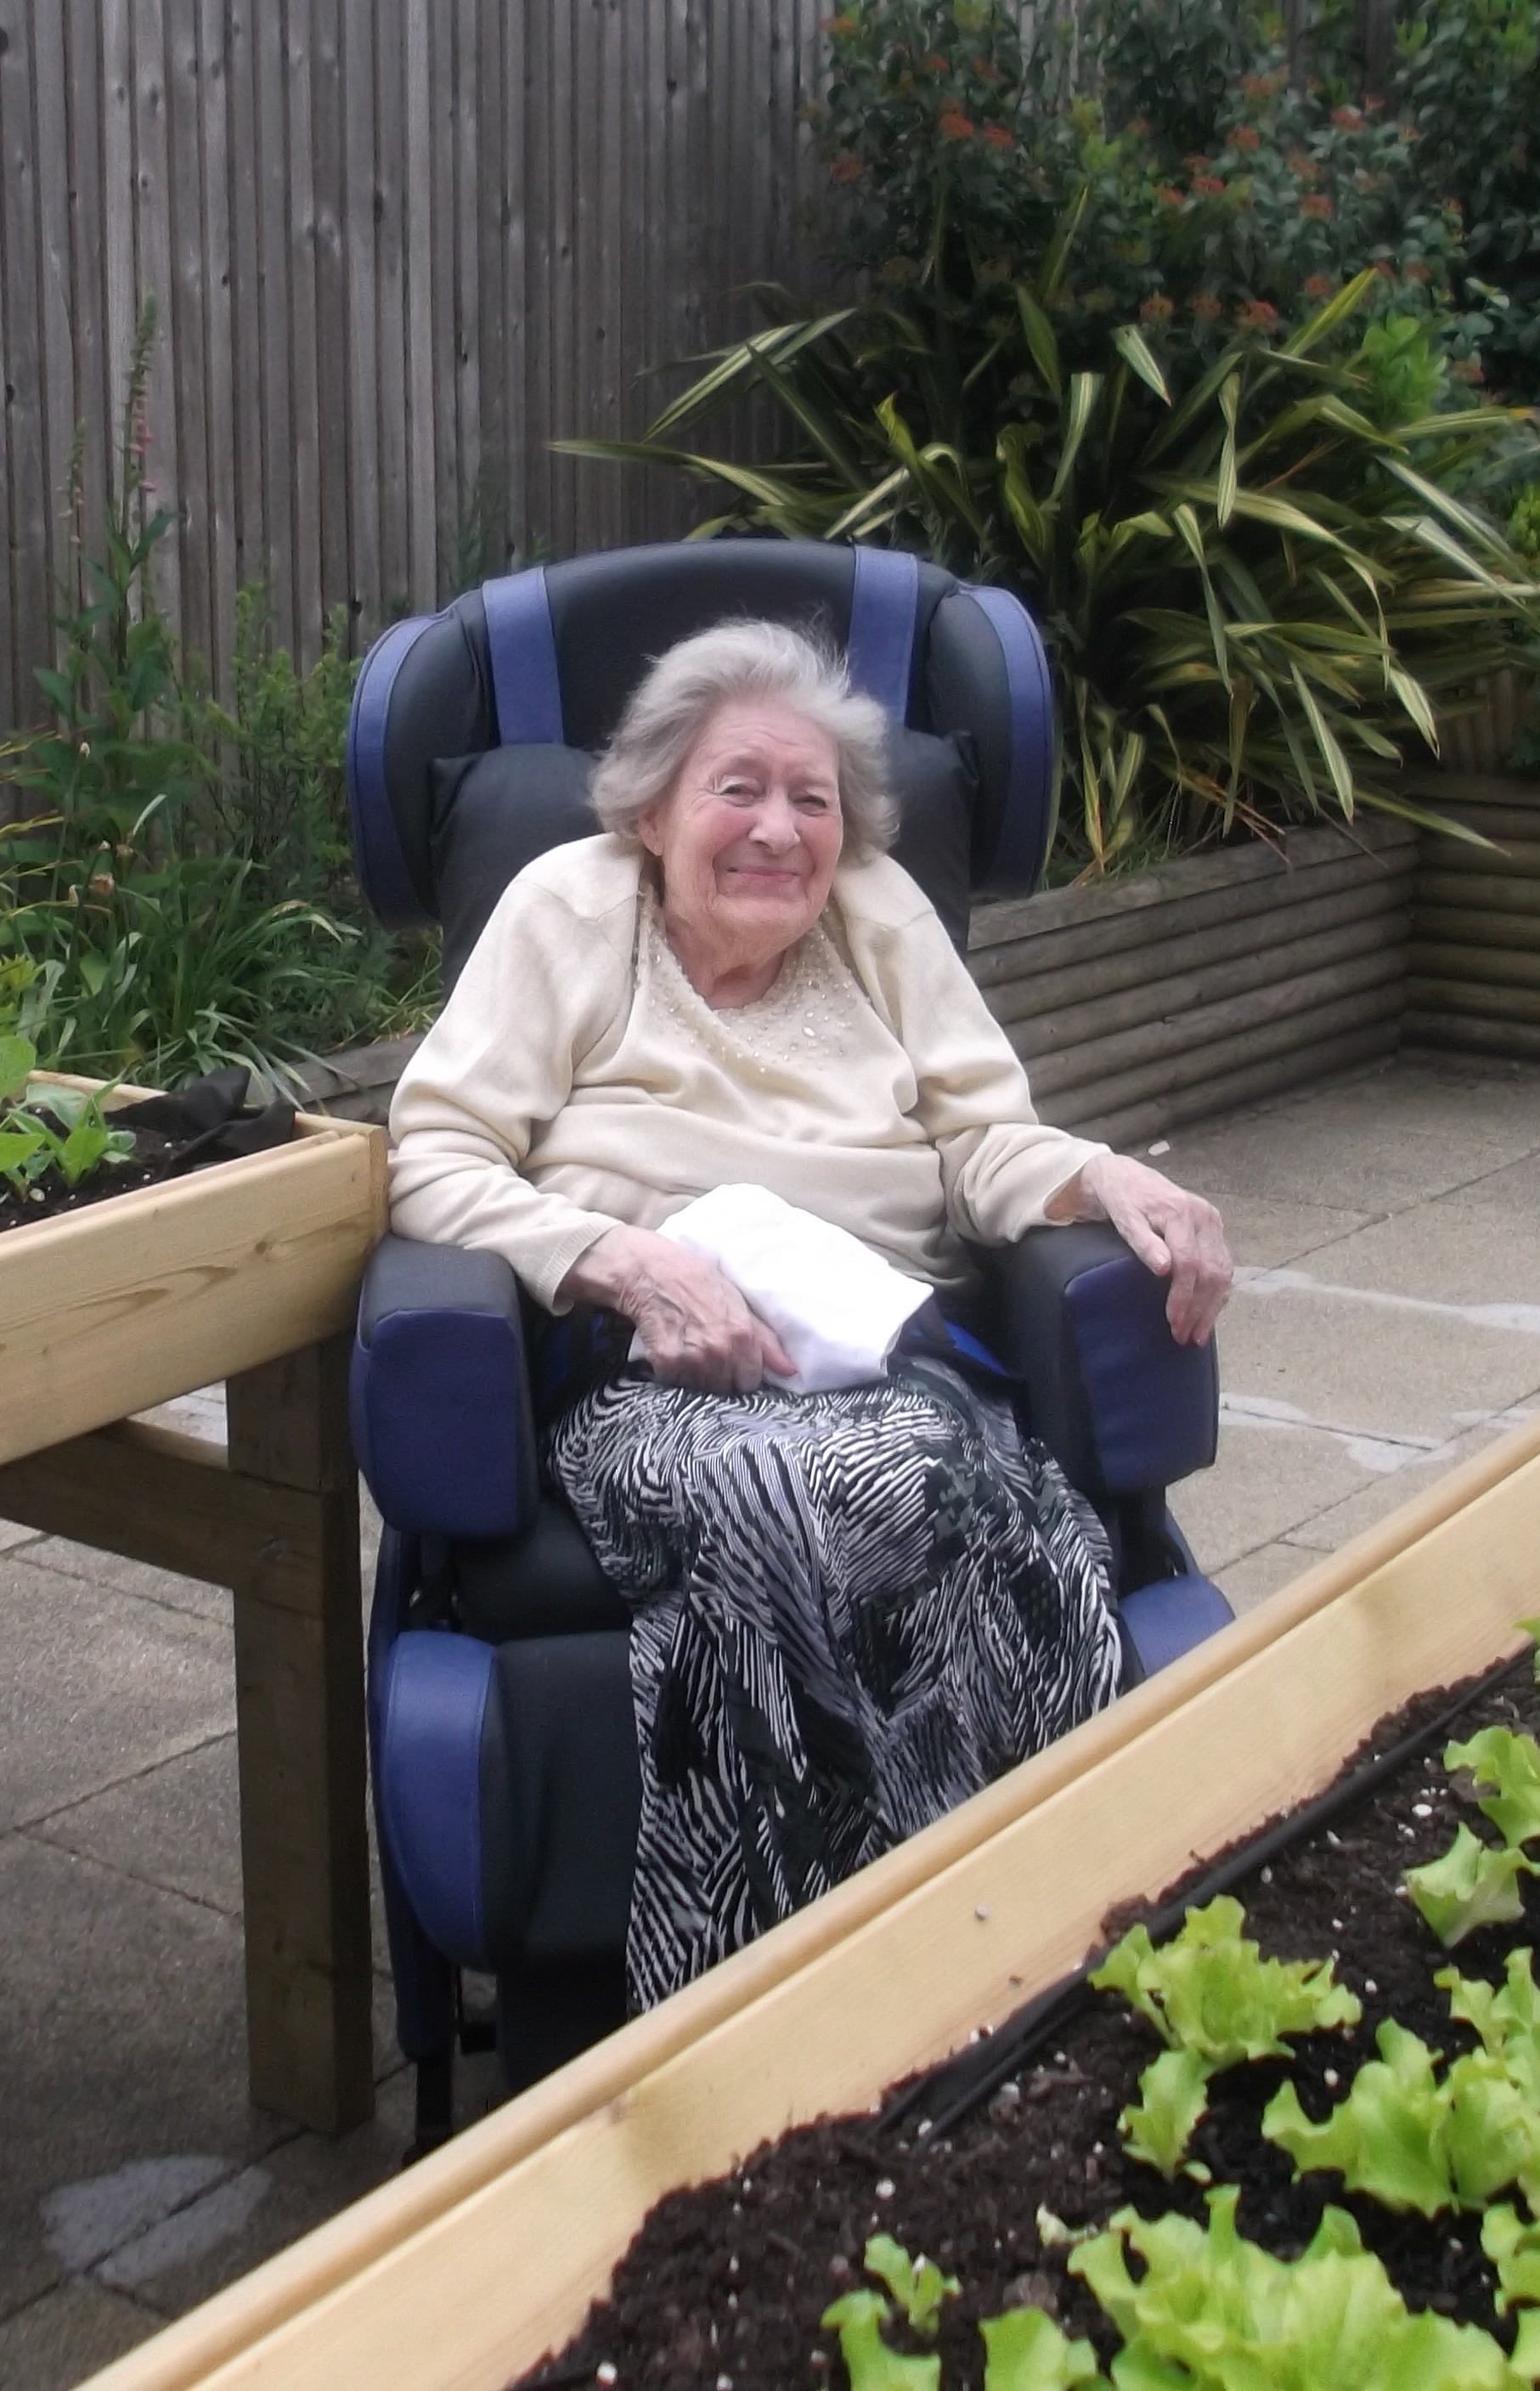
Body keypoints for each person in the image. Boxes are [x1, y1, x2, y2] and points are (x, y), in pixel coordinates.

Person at [385, 617, 1233, 2010]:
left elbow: (984, 1140)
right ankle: (787, 1979)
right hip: (655, 1364)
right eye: (737, 790)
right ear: (653, 810)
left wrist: (1104, 1174)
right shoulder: (569, 909)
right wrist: (621, 1260)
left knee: (971, 1491)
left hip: (881, 1352)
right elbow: (433, 1158)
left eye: (813, 799)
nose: (779, 829)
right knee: (786, 1489)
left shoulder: (881, 916)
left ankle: (1031, 1933)